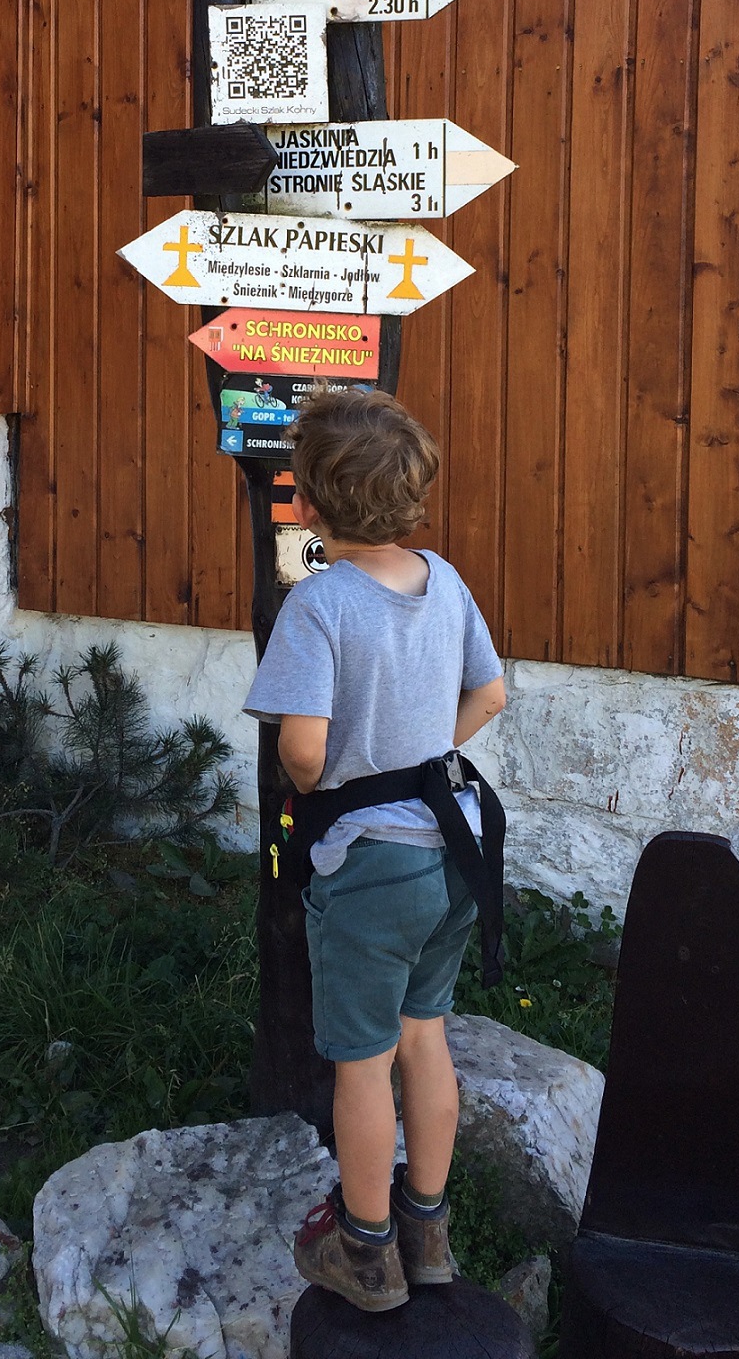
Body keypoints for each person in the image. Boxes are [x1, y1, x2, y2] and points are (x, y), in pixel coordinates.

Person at [242, 387, 508, 1312]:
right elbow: (490, 695)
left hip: (373, 866)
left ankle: (363, 1248)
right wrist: (422, 755)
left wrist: (327, 776)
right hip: (456, 851)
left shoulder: (318, 606)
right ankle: (427, 1231)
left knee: (361, 1063)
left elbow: (305, 754)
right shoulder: (445, 580)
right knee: (424, 1036)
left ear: (310, 505)